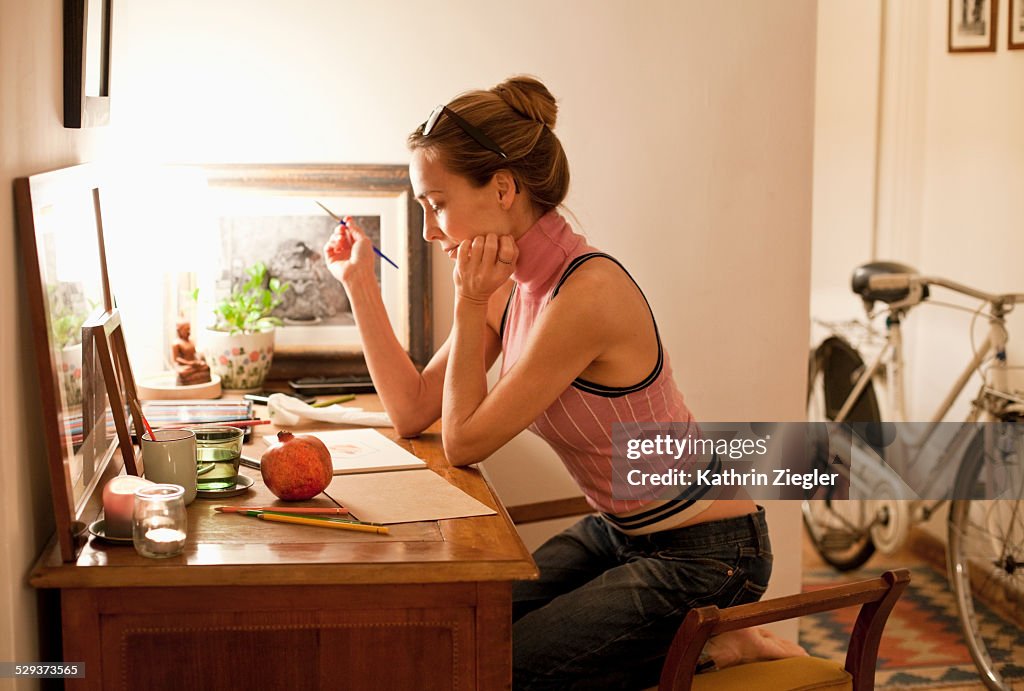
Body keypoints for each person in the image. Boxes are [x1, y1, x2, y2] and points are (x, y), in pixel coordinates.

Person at [324, 75, 804, 689]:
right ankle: (699, 642)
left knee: (505, 667)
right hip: (619, 531)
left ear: (502, 188)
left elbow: (464, 443)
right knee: (464, 629)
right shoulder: (511, 283)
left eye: (436, 203)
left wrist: (469, 306)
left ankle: (716, 647)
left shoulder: (586, 294)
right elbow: (414, 410)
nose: (428, 230)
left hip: (707, 550)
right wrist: (359, 283)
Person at [171, 320, 211, 386]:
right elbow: (176, 359)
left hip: (194, 364)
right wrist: (189, 363)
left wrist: (198, 361)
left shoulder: (191, 341)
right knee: (182, 373)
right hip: (185, 366)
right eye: (186, 329)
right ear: (179, 331)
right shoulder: (176, 344)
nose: (188, 332)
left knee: (206, 367)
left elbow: (195, 354)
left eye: (189, 329)